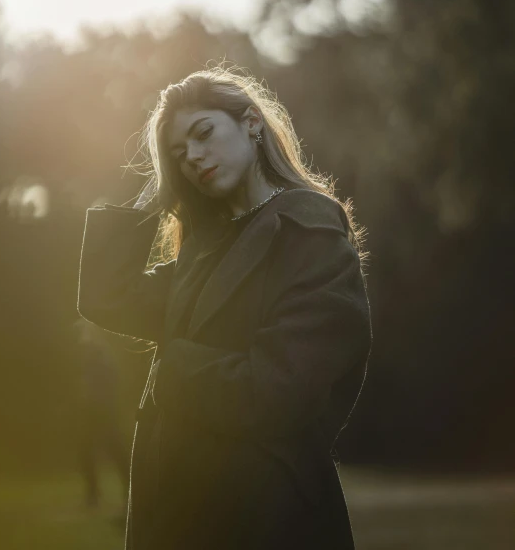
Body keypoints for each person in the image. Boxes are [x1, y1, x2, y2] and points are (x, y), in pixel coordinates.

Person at [77, 65, 372, 550]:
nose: (193, 156)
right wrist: (158, 191)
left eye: (204, 133)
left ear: (252, 122)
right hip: (178, 515)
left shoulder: (308, 229)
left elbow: (280, 388)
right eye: (179, 153)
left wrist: (175, 370)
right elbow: (108, 297)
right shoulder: (206, 245)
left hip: (267, 516)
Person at [73, 318, 129, 513]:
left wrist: (95, 399)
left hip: (104, 412)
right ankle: (92, 495)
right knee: (85, 449)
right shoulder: (90, 355)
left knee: (116, 451)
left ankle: (129, 492)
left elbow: (109, 384)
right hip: (92, 411)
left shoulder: (103, 355)